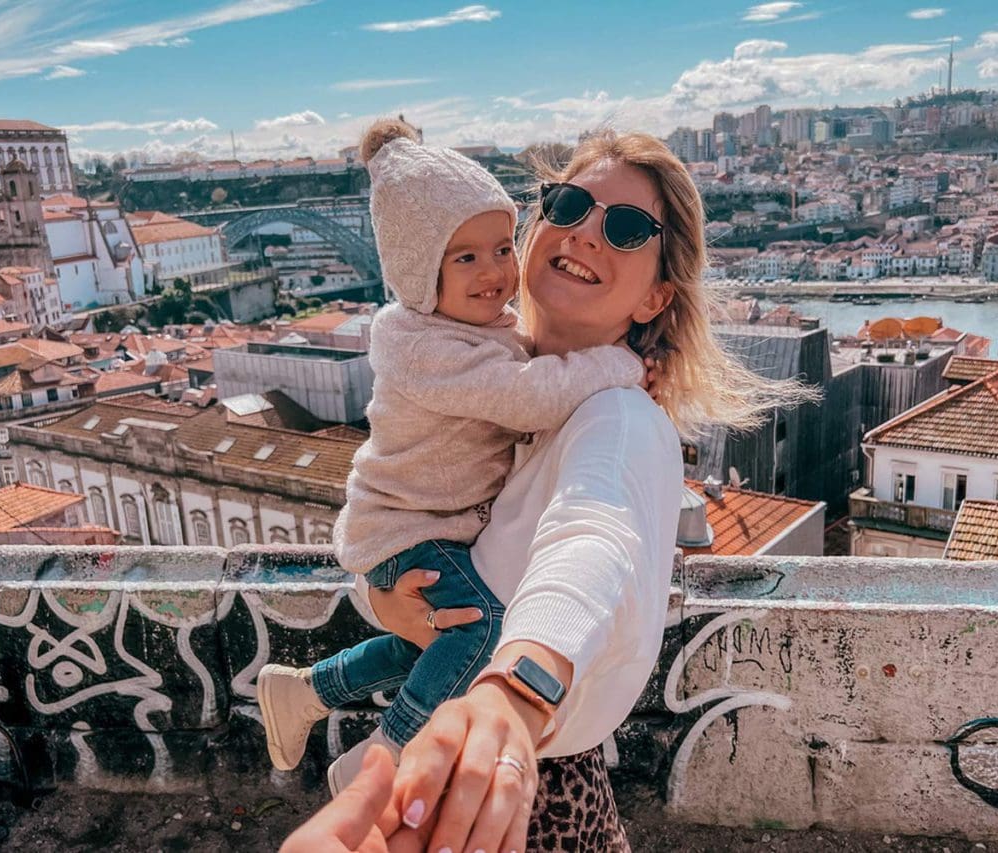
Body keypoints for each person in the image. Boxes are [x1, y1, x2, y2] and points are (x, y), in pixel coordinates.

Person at [343, 129, 818, 852]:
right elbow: (422, 521)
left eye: (626, 228)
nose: (588, 232)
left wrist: (517, 686)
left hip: (525, 801)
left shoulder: (617, 417)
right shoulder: (511, 395)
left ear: (659, 293)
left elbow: (592, 540)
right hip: (480, 787)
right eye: (569, 204)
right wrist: (386, 597)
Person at [257, 119, 647, 797]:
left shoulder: (477, 330)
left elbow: (595, 532)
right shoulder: (428, 345)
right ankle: (386, 754)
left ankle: (305, 691)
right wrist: (618, 361)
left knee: (436, 640)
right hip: (411, 526)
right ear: (418, 270)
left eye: (502, 247)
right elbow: (523, 398)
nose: (495, 271)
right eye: (465, 258)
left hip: (415, 526)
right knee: (484, 628)